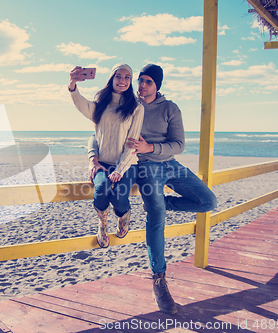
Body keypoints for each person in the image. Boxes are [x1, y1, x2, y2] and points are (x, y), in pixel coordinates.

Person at [88, 64, 217, 315]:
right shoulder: (127, 103)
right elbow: (98, 132)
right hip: (145, 168)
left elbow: (178, 144)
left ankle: (163, 202)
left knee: (208, 201)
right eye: (141, 80)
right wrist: (94, 156)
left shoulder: (170, 108)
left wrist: (151, 148)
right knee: (157, 217)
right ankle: (159, 280)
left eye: (148, 81)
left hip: (169, 163)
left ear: (157, 85)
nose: (142, 85)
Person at [69, 64, 144, 248]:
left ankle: (124, 216)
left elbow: (133, 142)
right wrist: (72, 84)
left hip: (127, 165)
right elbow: (81, 104)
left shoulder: (136, 108)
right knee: (101, 189)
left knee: (119, 197)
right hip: (103, 163)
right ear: (112, 79)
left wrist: (119, 169)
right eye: (119, 76)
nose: (123, 81)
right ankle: (102, 225)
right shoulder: (100, 105)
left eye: (127, 77)